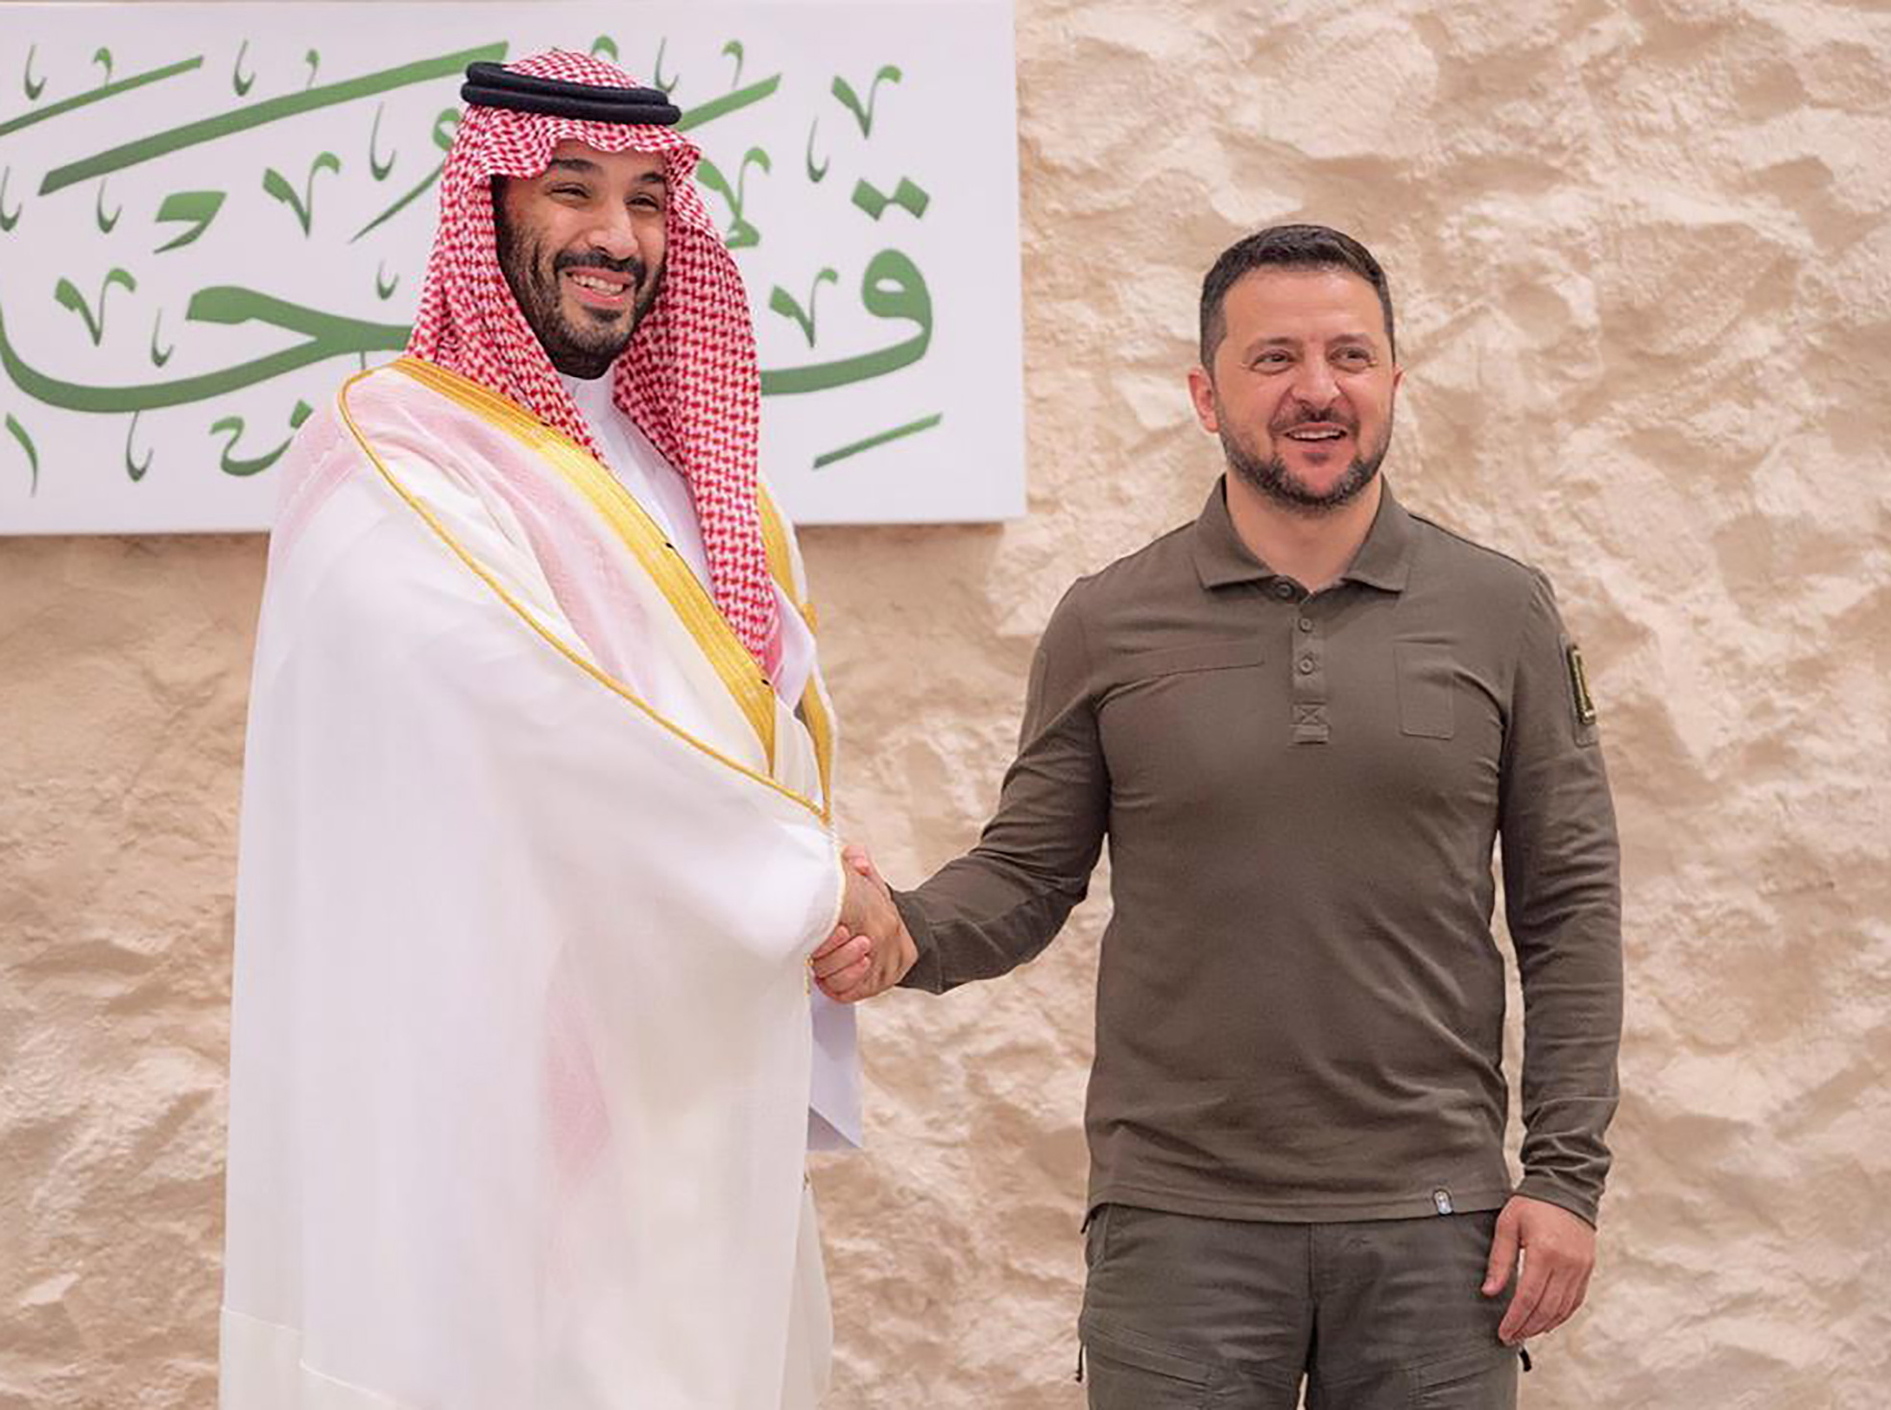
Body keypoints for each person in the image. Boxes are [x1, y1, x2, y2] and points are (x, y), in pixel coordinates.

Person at [816, 225, 1623, 1408]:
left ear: (1395, 381)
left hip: (1436, 1225)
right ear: (1206, 394)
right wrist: (903, 928)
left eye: (1351, 355)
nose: (1318, 389)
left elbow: (1571, 909)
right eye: (1274, 358)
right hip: (1178, 1229)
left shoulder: (1503, 613)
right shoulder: (1108, 622)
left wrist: (1563, 1179)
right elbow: (1029, 876)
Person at [220, 51, 880, 1410]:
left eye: (647, 200)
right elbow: (535, 727)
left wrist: (823, 877)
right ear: (492, 204)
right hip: (487, 1079)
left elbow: (757, 733)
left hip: (688, 1077)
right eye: (572, 189)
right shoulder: (390, 453)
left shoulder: (701, 475)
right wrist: (807, 882)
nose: (616, 236)